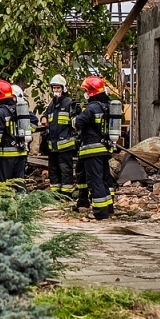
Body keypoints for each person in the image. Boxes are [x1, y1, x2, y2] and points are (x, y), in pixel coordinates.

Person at [74, 74, 115, 219]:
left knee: (95, 180)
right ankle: (108, 208)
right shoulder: (107, 106)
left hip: (91, 149)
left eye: (86, 90)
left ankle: (100, 212)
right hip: (104, 148)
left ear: (91, 92)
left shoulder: (91, 108)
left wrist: (76, 117)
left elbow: (78, 124)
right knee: (104, 178)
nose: (85, 93)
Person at [40, 73, 79, 198]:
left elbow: (76, 122)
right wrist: (44, 118)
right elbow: (45, 114)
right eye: (54, 88)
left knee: (65, 170)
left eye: (58, 88)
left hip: (65, 145)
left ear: (63, 88)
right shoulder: (52, 104)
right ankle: (55, 194)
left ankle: (66, 195)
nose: (56, 90)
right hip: (53, 145)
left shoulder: (69, 103)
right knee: (53, 170)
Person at [0, 79, 29, 182]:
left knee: (4, 186)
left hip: (6, 156)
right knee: (19, 184)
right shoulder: (19, 108)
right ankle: (23, 198)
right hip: (21, 153)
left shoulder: (0, 112)